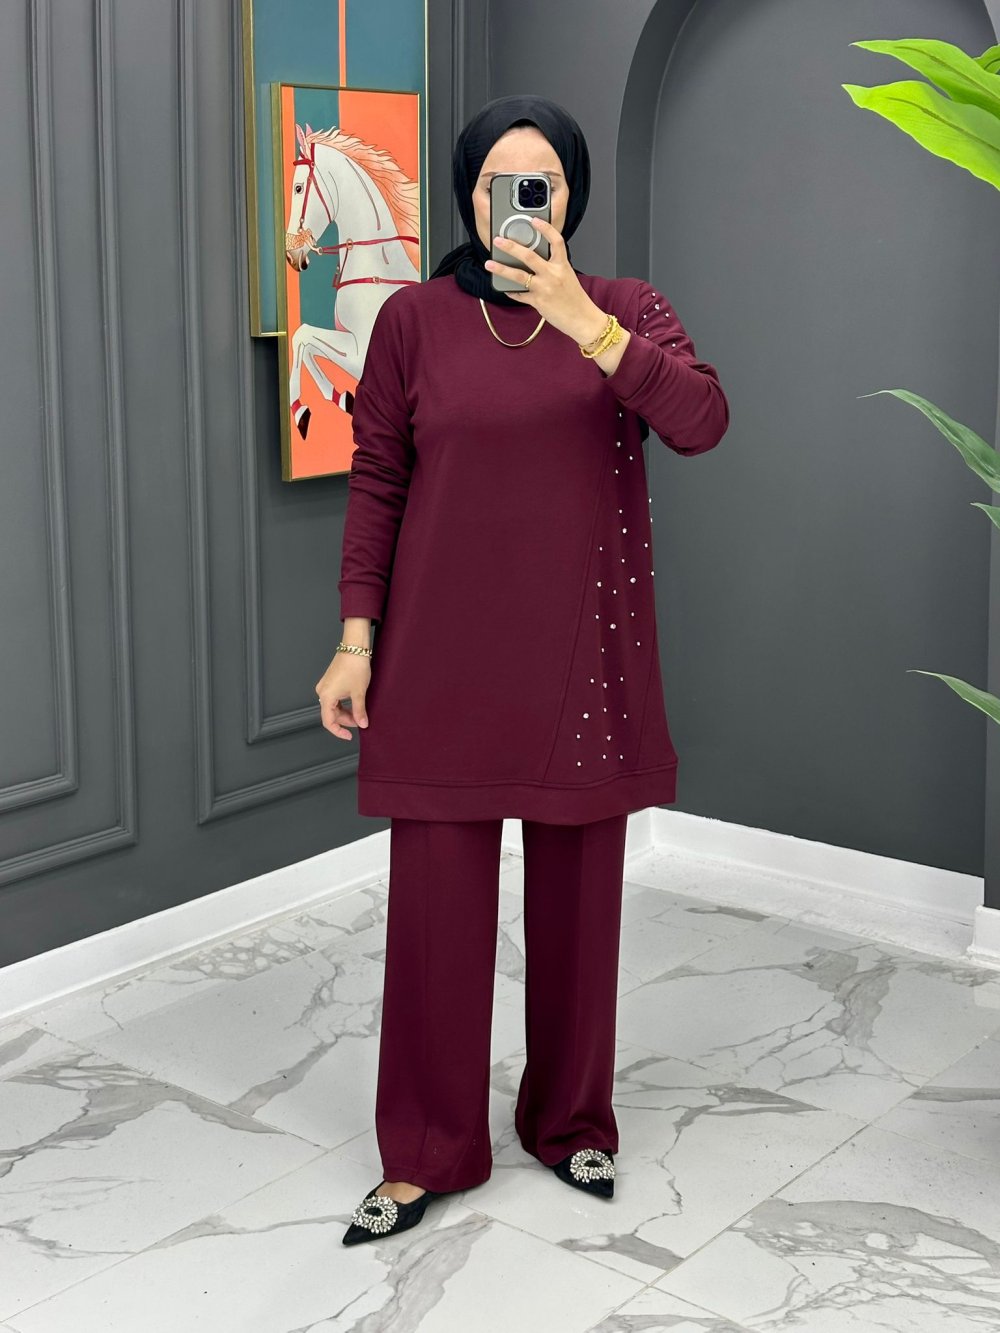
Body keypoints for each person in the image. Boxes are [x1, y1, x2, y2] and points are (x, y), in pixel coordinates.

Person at [313, 94, 730, 1246]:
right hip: (437, 663)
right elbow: (378, 479)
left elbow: (702, 420)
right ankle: (425, 1149)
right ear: (469, 195)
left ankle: (570, 1121)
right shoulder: (412, 320)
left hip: (580, 663)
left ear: (570, 196)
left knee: (581, 911)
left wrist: (582, 324)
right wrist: (355, 638)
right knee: (434, 920)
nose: (522, 200)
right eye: (501, 181)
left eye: (542, 181)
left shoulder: (625, 310)